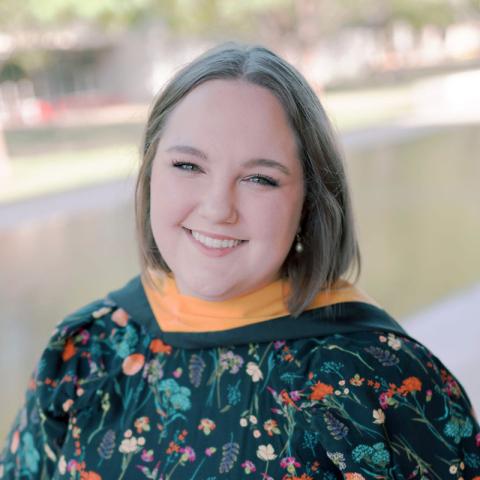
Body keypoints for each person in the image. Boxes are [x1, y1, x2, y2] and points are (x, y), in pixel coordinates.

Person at [1, 42, 479, 480]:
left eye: (260, 179)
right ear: (150, 175)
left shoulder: (379, 381)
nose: (217, 208)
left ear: (310, 202)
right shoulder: (87, 352)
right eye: (187, 166)